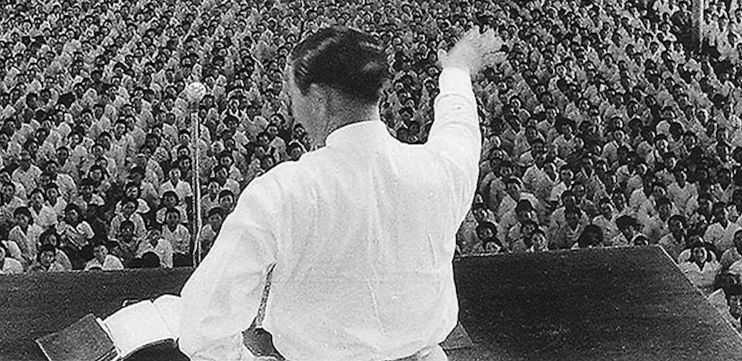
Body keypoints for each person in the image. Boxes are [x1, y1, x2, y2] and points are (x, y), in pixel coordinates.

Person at [178, 26, 503, 361]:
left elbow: (204, 325)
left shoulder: (281, 193)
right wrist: (456, 72)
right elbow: (458, 127)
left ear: (318, 98)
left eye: (293, 95)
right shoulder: (440, 170)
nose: (293, 109)